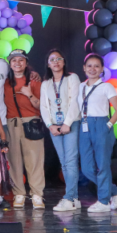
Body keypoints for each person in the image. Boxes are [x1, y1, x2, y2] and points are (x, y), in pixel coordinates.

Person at [77, 54, 117, 213]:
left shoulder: (106, 86)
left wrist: (107, 125)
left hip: (101, 124)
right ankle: (115, 191)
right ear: (84, 68)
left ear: (101, 70)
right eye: (89, 65)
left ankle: (104, 201)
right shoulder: (81, 86)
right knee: (86, 168)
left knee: (102, 165)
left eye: (96, 66)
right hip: (84, 125)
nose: (92, 69)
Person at [40, 49, 82, 211]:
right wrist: (50, 125)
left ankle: (69, 198)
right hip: (54, 125)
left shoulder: (72, 78)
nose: (56, 62)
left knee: (71, 161)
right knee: (64, 162)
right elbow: (45, 106)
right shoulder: (46, 84)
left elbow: (75, 102)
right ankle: (75, 198)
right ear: (48, 64)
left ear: (64, 62)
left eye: (59, 58)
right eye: (52, 59)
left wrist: (68, 123)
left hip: (71, 123)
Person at [3, 49, 45, 209]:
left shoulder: (34, 81)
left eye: (21, 60)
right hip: (11, 123)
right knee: (14, 160)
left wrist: (29, 94)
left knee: (34, 160)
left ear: (26, 63)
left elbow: (41, 105)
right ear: (10, 63)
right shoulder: (6, 82)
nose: (17, 63)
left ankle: (37, 195)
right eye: (14, 60)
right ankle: (18, 194)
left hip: (31, 122)